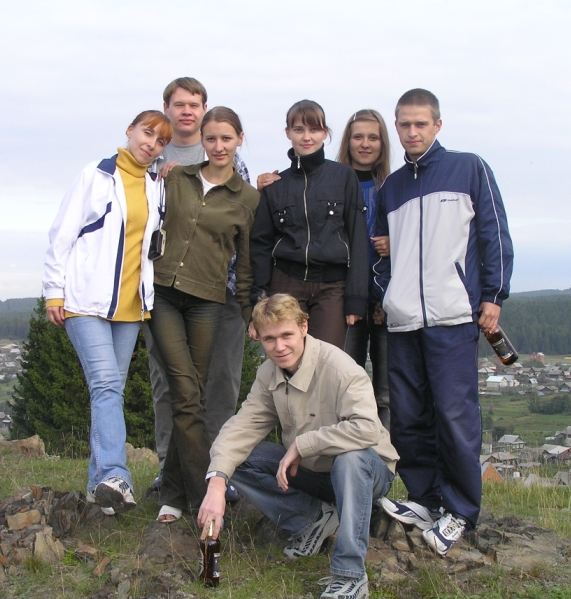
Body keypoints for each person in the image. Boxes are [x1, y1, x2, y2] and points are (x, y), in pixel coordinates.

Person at [373, 89, 513, 555]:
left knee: (455, 416)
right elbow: (380, 254)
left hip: (453, 315)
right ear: (397, 126)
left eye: (420, 124)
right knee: (409, 416)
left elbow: (493, 233)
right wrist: (388, 296)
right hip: (403, 321)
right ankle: (425, 499)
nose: (412, 132)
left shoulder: (468, 168)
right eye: (404, 124)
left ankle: (460, 511)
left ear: (437, 124)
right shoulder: (391, 187)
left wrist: (492, 295)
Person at [198, 294, 398, 599]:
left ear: (304, 327)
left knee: (351, 459)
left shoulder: (340, 368)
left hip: (367, 473)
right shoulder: (269, 373)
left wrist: (304, 445)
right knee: (236, 458)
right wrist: (216, 484)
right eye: (269, 339)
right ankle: (312, 520)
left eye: (287, 335)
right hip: (315, 474)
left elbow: (368, 429)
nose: (279, 347)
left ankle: (351, 576)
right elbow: (241, 428)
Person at [42, 110, 172, 515]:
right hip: (85, 302)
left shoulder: (155, 186)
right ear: (130, 131)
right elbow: (61, 235)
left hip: (130, 308)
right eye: (147, 133)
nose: (151, 144)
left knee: (110, 391)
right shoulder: (96, 176)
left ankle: (98, 491)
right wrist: (53, 292)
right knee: (106, 387)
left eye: (160, 141)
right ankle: (117, 474)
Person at [148, 106, 259, 522]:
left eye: (226, 138)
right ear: (201, 140)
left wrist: (248, 312)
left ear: (239, 140)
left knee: (194, 396)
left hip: (209, 301)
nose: (218, 146)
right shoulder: (176, 179)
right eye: (210, 138)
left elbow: (244, 265)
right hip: (164, 296)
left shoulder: (248, 199)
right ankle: (203, 498)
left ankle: (176, 494)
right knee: (183, 390)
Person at [250, 100, 368, 350]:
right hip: (286, 284)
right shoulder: (276, 185)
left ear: (325, 133)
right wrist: (258, 299)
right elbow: (261, 245)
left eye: (314, 129)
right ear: (288, 133)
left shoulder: (344, 177)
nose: (306, 137)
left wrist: (356, 298)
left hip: (332, 287)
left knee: (326, 357)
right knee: (287, 355)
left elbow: (358, 236)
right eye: (299, 129)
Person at [336, 109, 392, 430]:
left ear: (383, 143)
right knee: (344, 385)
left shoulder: (393, 186)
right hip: (345, 299)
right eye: (358, 137)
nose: (365, 144)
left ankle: (386, 454)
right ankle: (346, 449)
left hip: (386, 300)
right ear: (348, 141)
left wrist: (396, 242)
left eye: (373, 137)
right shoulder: (333, 184)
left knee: (386, 391)